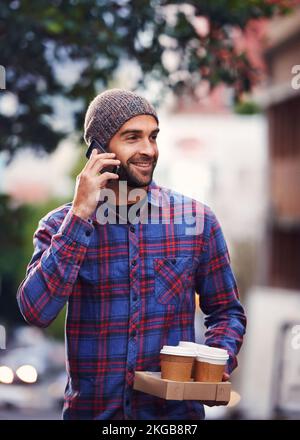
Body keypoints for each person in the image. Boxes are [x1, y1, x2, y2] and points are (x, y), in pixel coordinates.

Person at [17, 88, 246, 420]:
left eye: (153, 137)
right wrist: (80, 214)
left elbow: (226, 312)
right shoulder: (58, 226)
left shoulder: (196, 221)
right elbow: (36, 311)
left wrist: (215, 362)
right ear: (99, 149)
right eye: (132, 137)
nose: (148, 150)